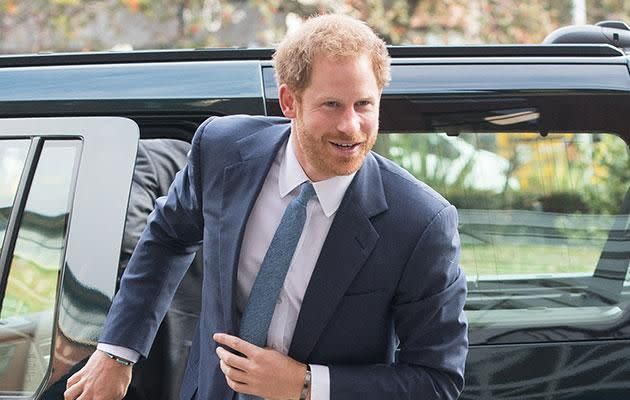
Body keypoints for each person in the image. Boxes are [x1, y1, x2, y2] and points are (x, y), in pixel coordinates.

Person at [64, 14, 468, 400]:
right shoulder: (222, 150)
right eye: (331, 105)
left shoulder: (420, 222)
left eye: (364, 104)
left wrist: (306, 385)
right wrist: (117, 351)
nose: (351, 126)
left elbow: (437, 381)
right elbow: (167, 237)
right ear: (289, 101)